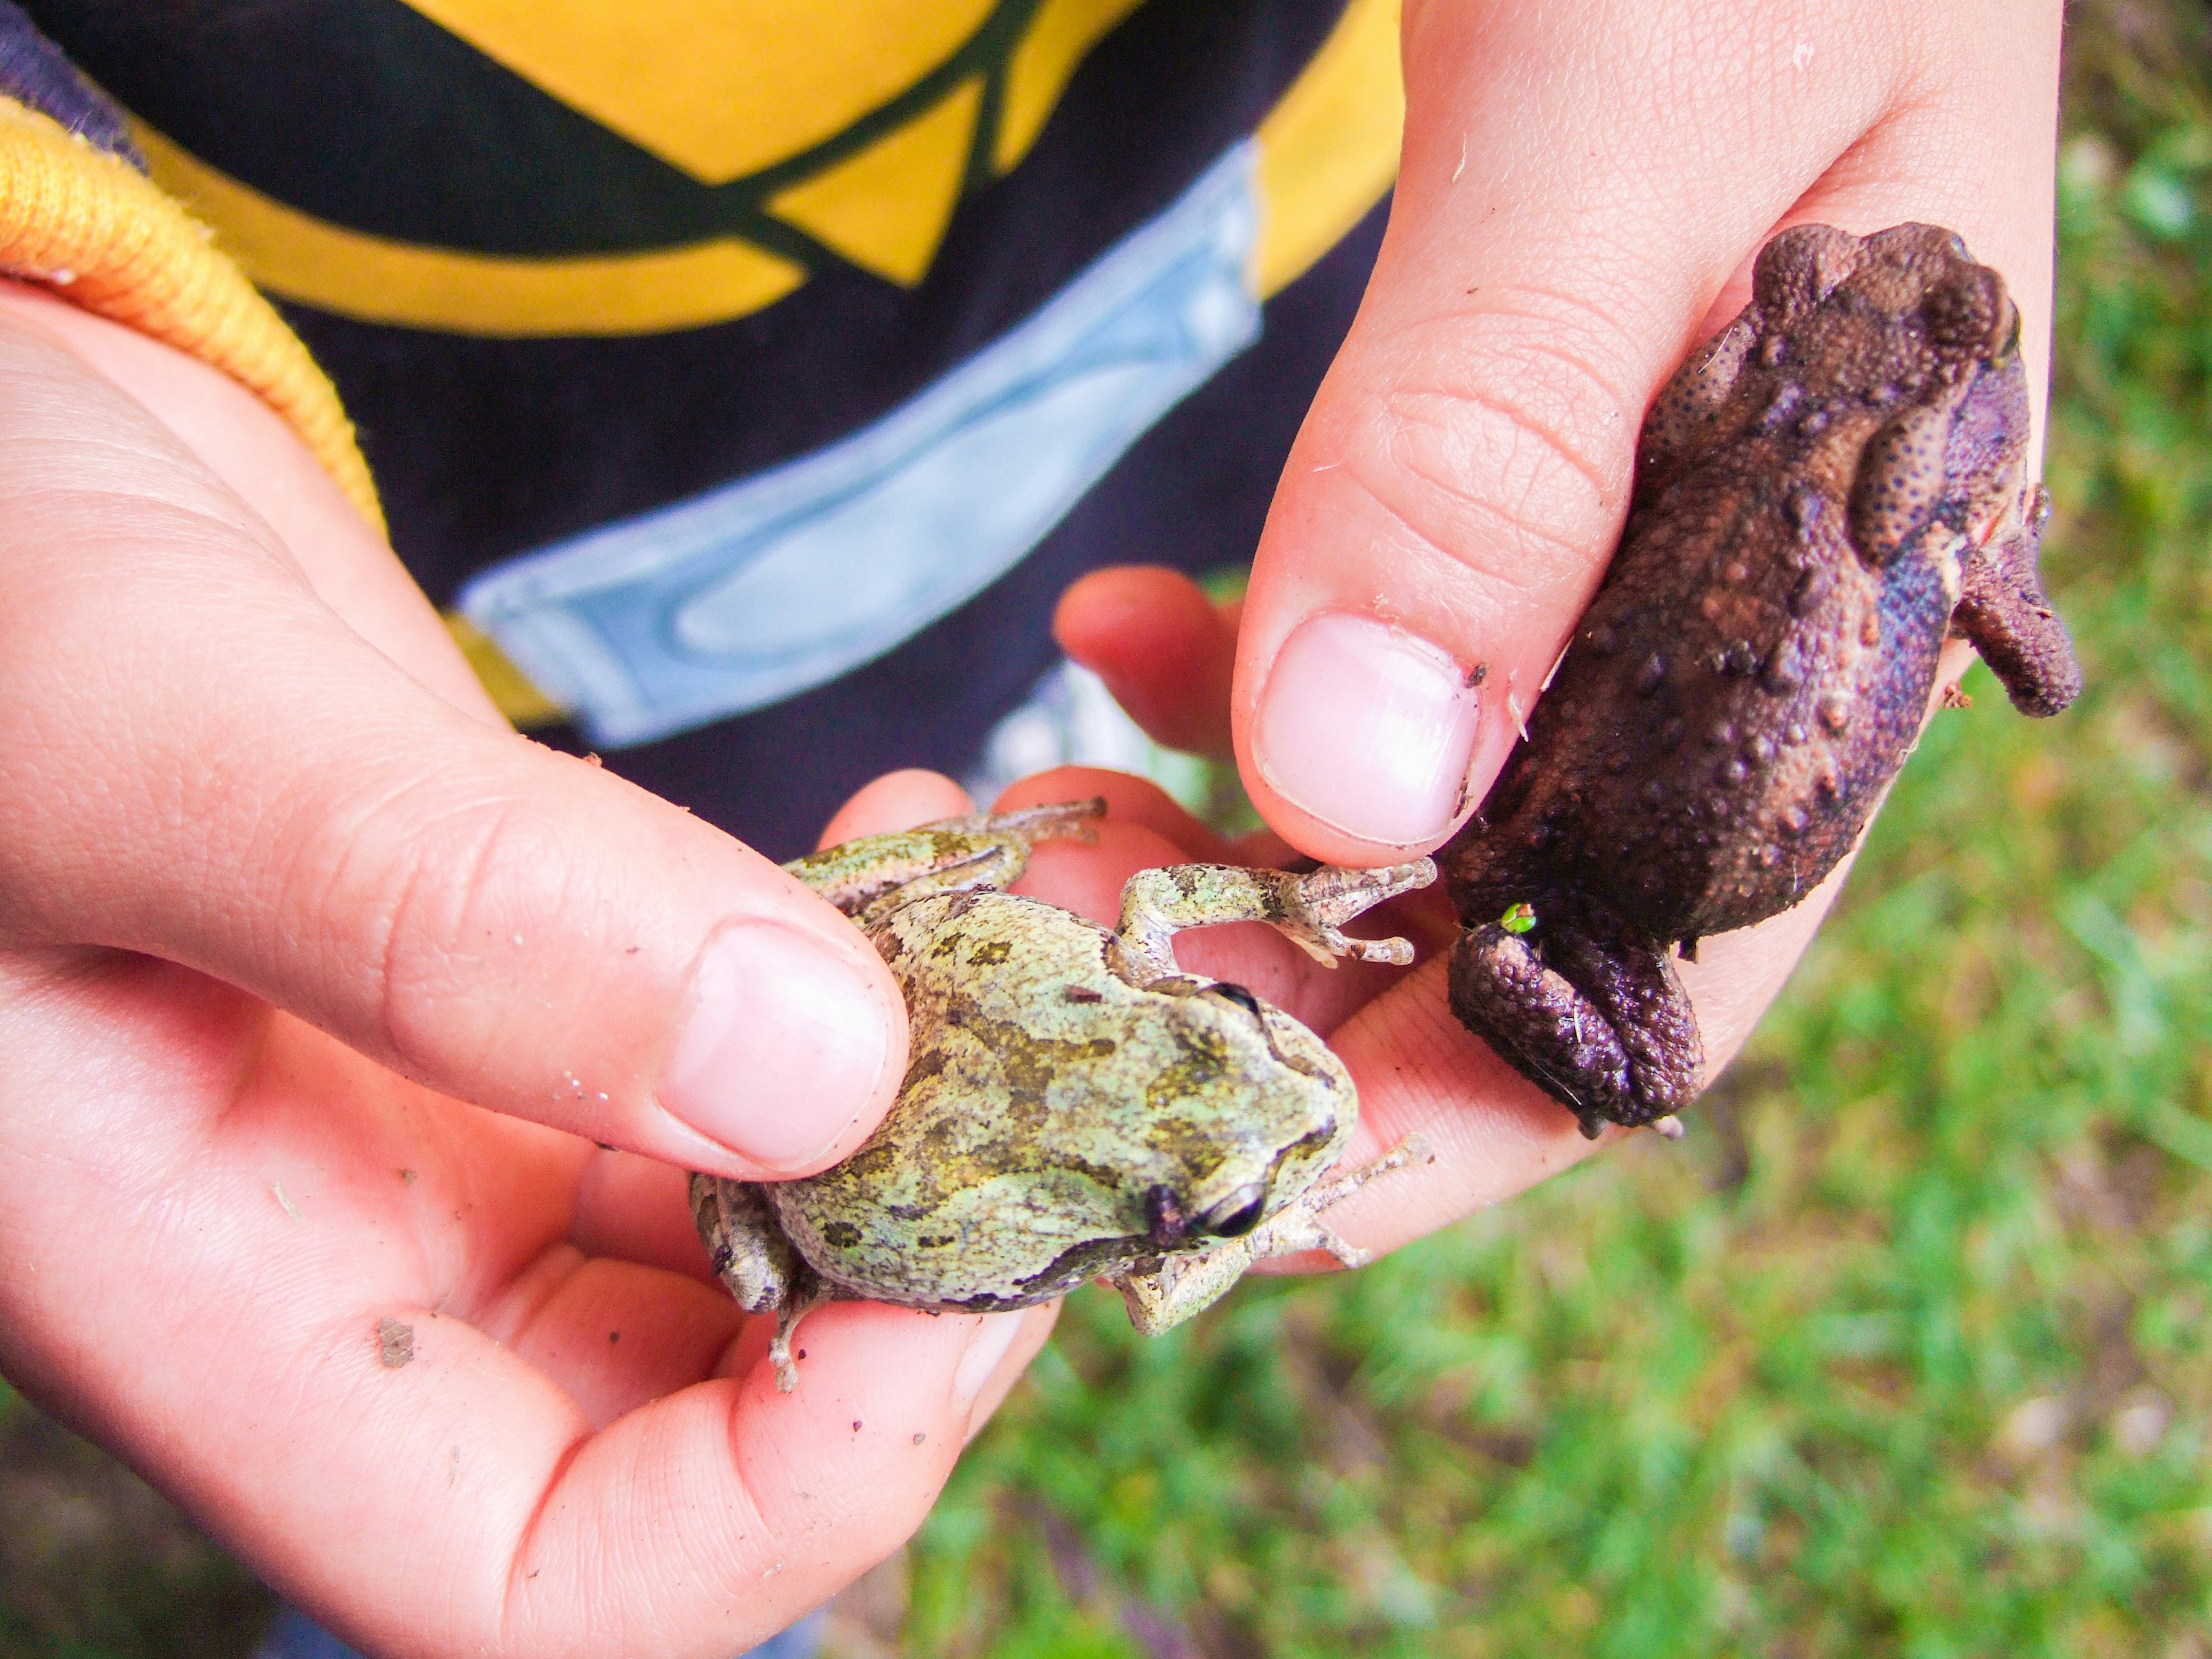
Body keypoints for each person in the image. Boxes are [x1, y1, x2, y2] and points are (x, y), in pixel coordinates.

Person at [0, 1, 2062, 1654]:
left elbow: (1146, 969)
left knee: (681, 1314)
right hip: (463, 637)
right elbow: (1139, 1191)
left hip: (1245, 359)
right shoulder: (1130, 1139)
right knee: (620, 1102)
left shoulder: (1163, 972)